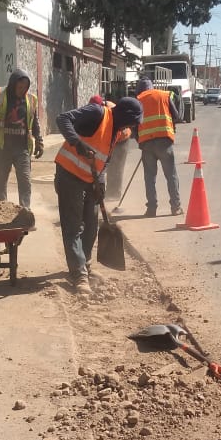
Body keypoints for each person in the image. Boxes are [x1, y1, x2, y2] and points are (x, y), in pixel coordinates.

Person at [54, 96, 143, 293]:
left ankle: (85, 264)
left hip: (91, 179)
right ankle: (78, 275)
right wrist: (76, 142)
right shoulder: (97, 113)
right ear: (124, 116)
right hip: (69, 175)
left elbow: (104, 157)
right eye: (131, 122)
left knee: (92, 225)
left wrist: (100, 182)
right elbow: (62, 119)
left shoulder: (117, 130)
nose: (131, 127)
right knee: (73, 227)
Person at [0, 69, 43, 210]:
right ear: (13, 84)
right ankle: (2, 209)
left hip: (22, 147)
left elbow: (34, 121)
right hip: (3, 147)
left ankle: (25, 211)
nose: (22, 90)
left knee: (25, 180)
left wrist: (39, 140)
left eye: (25, 87)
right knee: (1, 180)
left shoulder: (31, 99)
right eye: (20, 87)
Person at [134, 77, 183, 217]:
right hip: (164, 142)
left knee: (149, 178)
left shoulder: (138, 100)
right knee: (171, 175)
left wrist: (140, 142)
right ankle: (176, 207)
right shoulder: (164, 95)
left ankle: (151, 209)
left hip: (147, 145)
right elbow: (177, 117)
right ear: (152, 86)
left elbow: (135, 126)